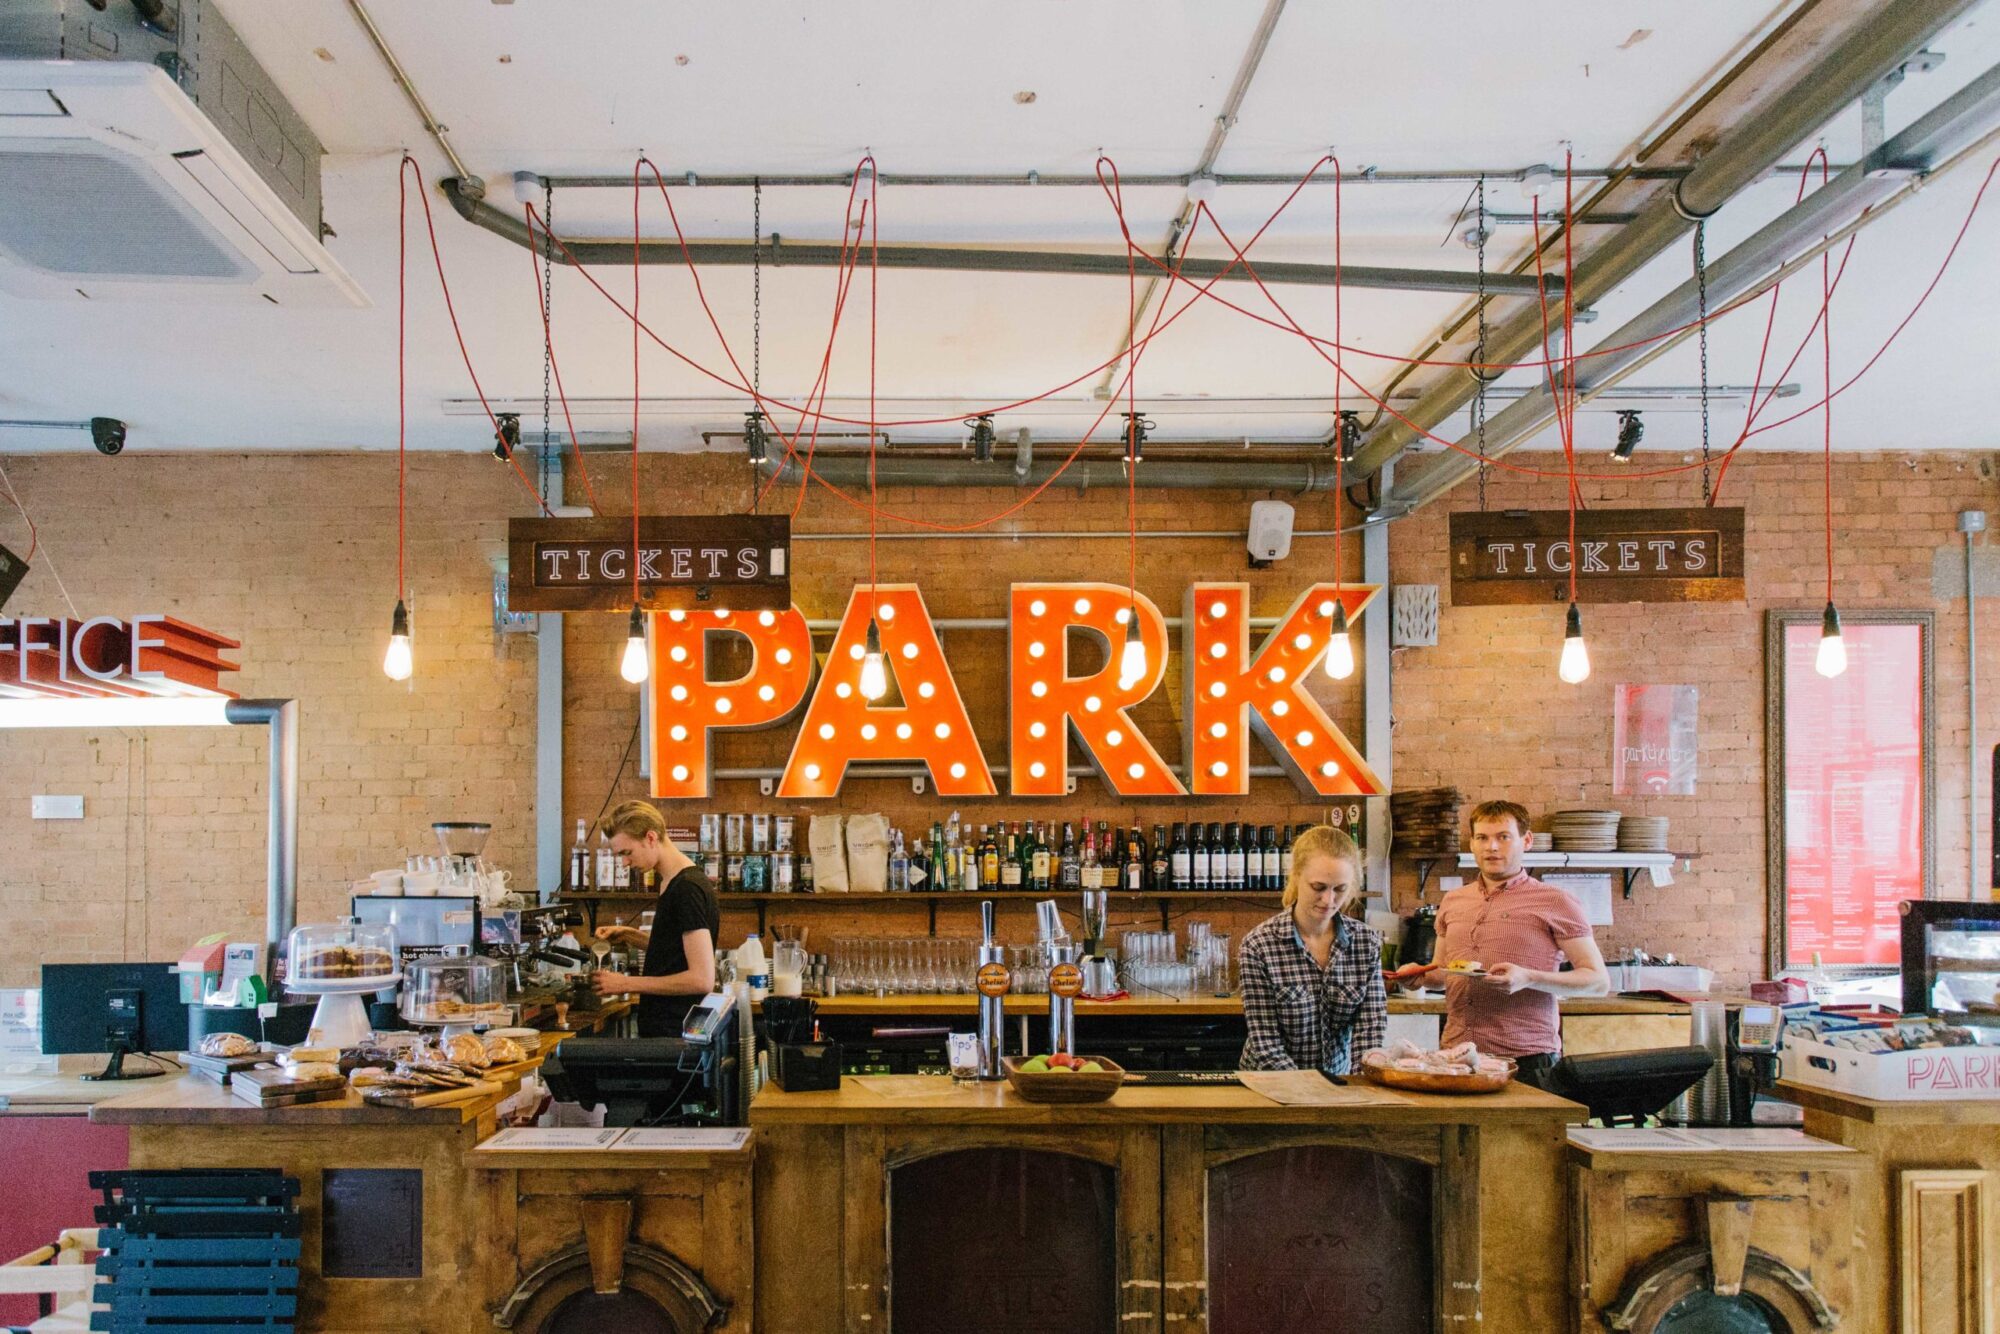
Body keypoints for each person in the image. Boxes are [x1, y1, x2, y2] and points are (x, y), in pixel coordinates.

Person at [1425, 799, 1609, 1087]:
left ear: (1527, 841)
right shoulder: (1453, 900)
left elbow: (1598, 982)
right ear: (1472, 843)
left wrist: (1528, 978)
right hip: (1457, 1054)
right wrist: (1414, 976)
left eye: (1503, 837)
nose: (1492, 847)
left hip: (1526, 1059)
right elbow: (1441, 974)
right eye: (1482, 838)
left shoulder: (1555, 901)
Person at [1238, 824, 1387, 1076]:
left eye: (1340, 889)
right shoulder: (1258, 946)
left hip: (1337, 1083)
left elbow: (1370, 1027)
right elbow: (1265, 1043)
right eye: (1318, 887)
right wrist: (1310, 1093)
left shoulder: (1366, 942)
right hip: (1271, 1085)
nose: (1329, 900)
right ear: (1295, 877)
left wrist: (1361, 1083)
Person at [589, 800, 721, 1038]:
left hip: (676, 1035)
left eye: (627, 853)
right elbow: (676, 952)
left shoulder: (686, 889)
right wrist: (631, 935)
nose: (625, 863)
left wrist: (627, 984)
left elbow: (702, 979)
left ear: (650, 838)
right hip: (666, 1029)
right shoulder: (672, 882)